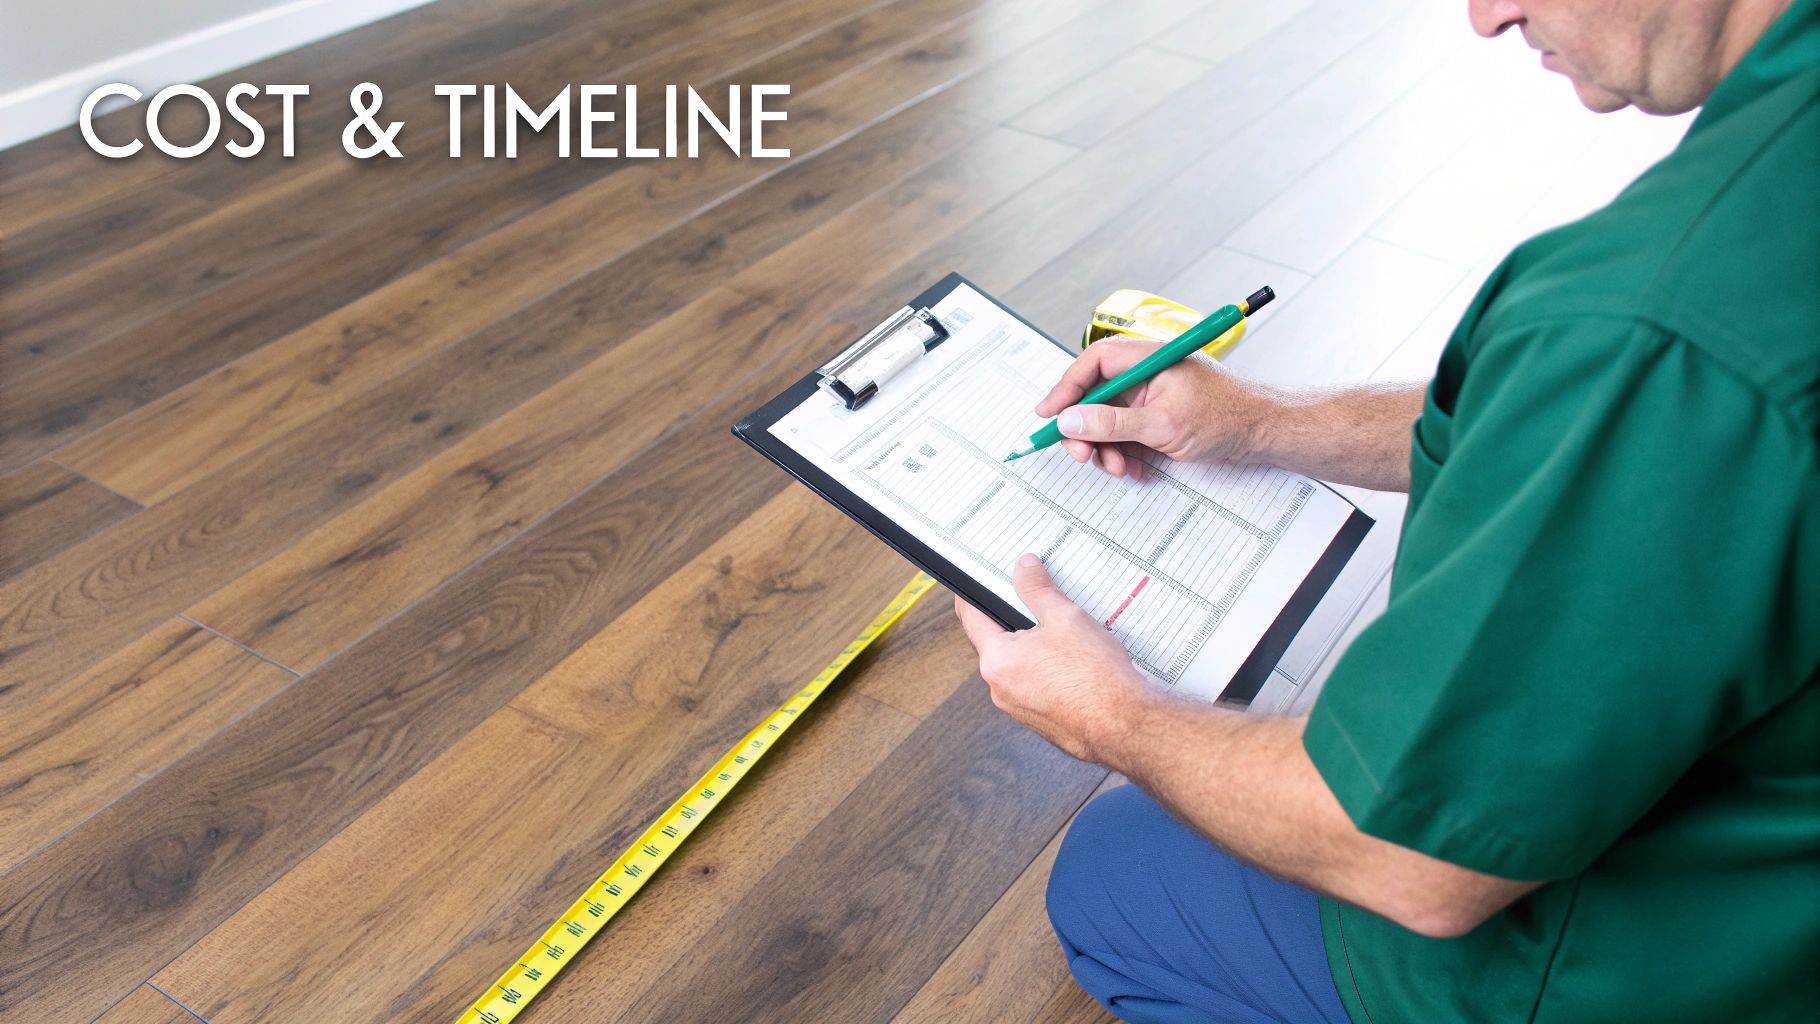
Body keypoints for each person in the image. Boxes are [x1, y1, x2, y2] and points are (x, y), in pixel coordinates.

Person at [951, 0, 1820, 1020]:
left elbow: (1413, 855)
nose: (1487, 15)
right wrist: (1263, 420)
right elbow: (1588, 419)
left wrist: (1113, 716)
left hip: (1671, 963)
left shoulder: (1652, 322)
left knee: (1114, 870)